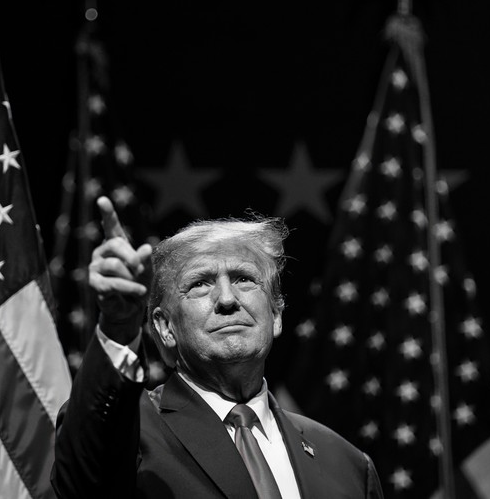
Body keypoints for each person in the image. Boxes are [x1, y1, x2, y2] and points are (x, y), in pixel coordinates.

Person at [51, 196, 383, 499]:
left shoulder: (346, 463)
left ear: (277, 315)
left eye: (244, 279)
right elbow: (81, 481)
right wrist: (119, 327)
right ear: (166, 328)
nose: (227, 300)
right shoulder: (130, 432)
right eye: (200, 284)